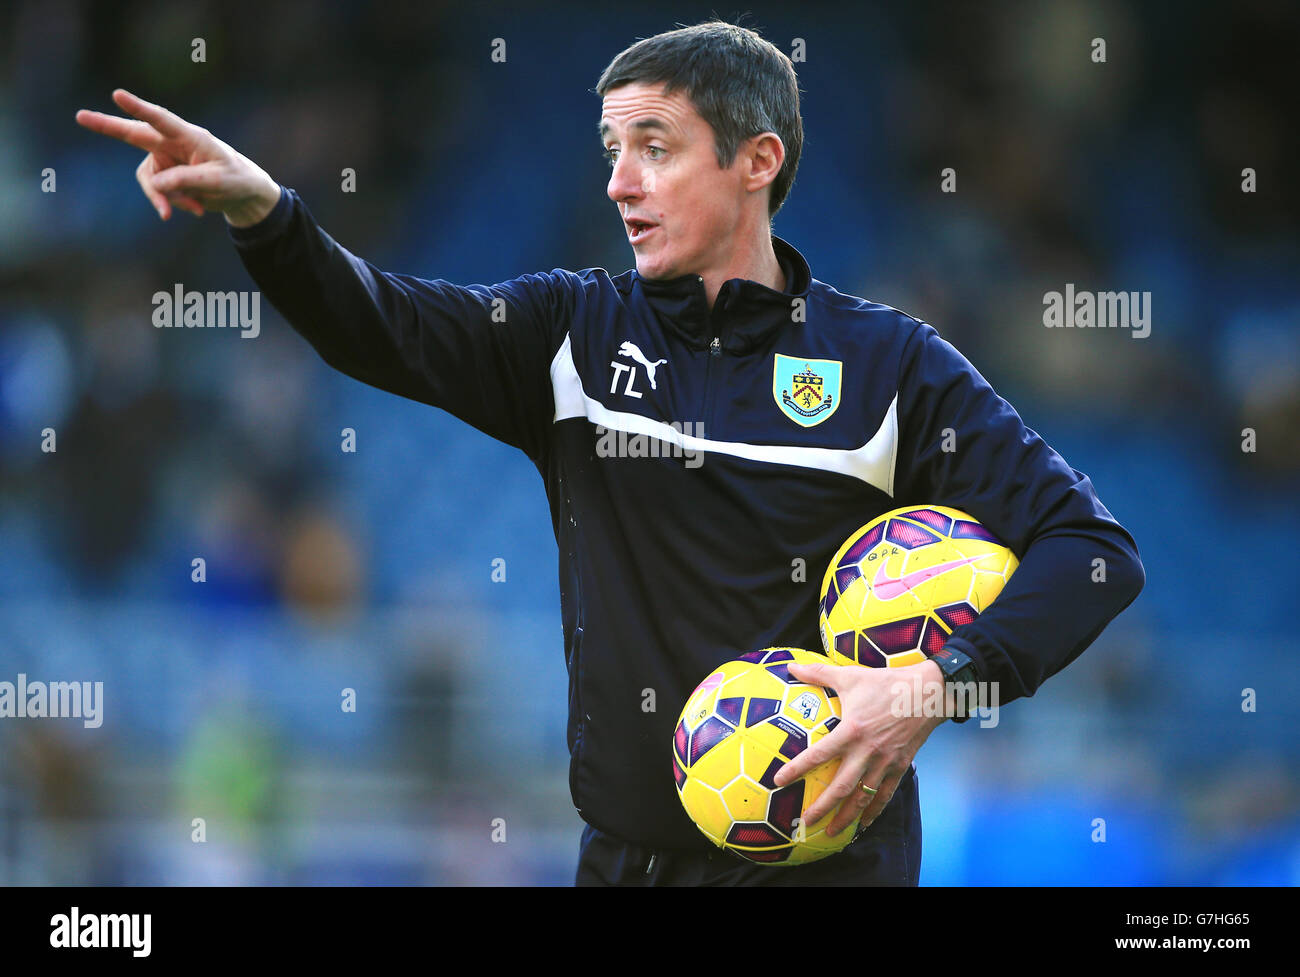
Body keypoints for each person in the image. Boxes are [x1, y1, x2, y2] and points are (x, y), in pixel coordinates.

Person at [77, 19, 1144, 886]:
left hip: (829, 869)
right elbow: (379, 320)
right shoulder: (570, 337)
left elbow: (1091, 552)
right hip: (622, 862)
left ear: (756, 162)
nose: (618, 183)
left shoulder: (888, 366)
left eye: (655, 147)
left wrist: (932, 686)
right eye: (610, 153)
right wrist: (264, 213)